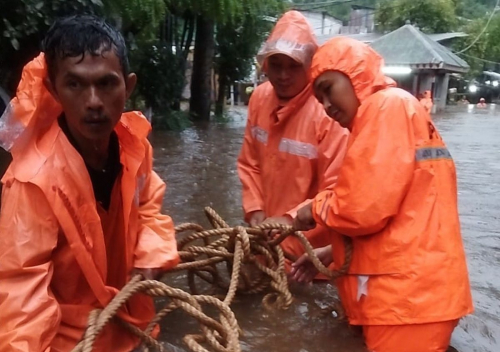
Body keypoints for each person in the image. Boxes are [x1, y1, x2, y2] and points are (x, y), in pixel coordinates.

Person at [0, 15, 179, 351]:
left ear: (129, 86)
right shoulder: (31, 181)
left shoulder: (135, 146)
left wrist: (152, 255)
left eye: (107, 84)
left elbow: (150, 206)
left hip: (132, 327)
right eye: (76, 85)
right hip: (71, 343)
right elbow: (20, 296)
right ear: (54, 90)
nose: (93, 101)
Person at [291, 37, 473, 352]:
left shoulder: (385, 107)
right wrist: (331, 252)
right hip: (410, 298)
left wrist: (313, 210)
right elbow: (404, 211)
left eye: (328, 89)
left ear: (354, 74)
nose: (326, 105)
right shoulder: (388, 113)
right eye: (319, 99)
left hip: (408, 301)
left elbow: (361, 210)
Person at [237, 10, 348, 272]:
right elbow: (249, 163)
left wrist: (288, 221)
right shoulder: (260, 99)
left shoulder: (329, 111)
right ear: (265, 65)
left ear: (310, 66)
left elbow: (338, 190)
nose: (283, 75)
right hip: (265, 241)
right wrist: (255, 211)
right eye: (276, 65)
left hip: (312, 256)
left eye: (293, 66)